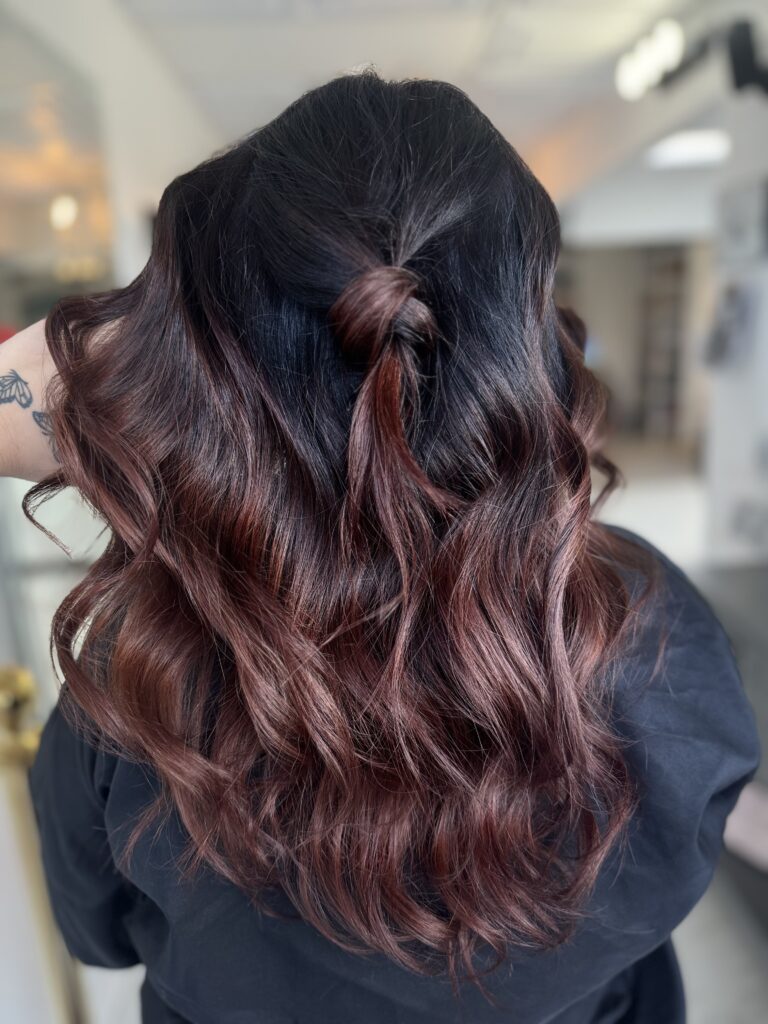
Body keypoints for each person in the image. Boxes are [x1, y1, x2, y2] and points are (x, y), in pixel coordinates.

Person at [0, 71, 760, 1024]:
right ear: (517, 336)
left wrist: (76, 391)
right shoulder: (651, 625)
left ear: (196, 365)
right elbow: (684, 853)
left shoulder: (141, 667)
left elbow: (96, 932)